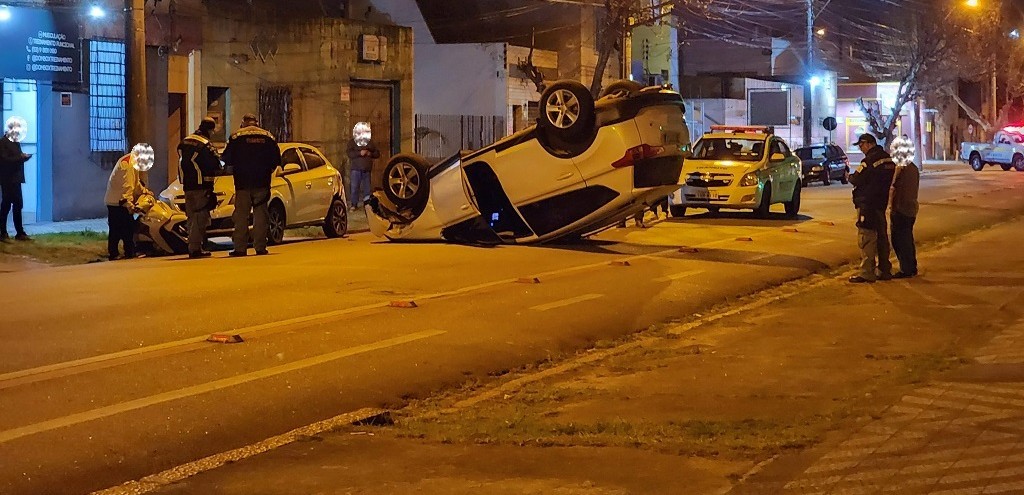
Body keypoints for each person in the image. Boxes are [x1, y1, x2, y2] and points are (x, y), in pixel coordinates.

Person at [221, 113, 280, 256]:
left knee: (241, 216)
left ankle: (240, 248)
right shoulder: (268, 137)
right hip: (262, 184)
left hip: (242, 184)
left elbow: (226, 159)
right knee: (261, 216)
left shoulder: (236, 137)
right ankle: (260, 247)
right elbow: (276, 160)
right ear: (256, 123)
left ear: (243, 123)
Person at [849, 133, 896, 283]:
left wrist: (849, 176)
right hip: (880, 204)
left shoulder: (869, 160)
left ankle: (866, 272)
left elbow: (856, 178)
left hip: (867, 204)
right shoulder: (888, 159)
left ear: (868, 143)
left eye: (861, 145)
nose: (861, 149)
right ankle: (884, 269)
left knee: (867, 238)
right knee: (882, 237)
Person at [177, 117, 221, 259]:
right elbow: (215, 164)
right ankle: (195, 248)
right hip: (201, 186)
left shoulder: (184, 141)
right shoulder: (205, 144)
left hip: (187, 186)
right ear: (209, 129)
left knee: (191, 217)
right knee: (199, 217)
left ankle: (195, 245)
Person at [104, 144, 149, 260]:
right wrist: (129, 204)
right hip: (119, 202)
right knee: (124, 229)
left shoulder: (130, 161)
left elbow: (136, 183)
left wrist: (145, 191)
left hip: (116, 200)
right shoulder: (128, 165)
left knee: (120, 229)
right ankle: (123, 253)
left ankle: (121, 253)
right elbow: (127, 186)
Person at [890, 144, 920, 279]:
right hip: (911, 208)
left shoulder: (901, 169)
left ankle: (906, 269)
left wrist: (891, 206)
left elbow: (894, 187)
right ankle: (911, 267)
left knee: (900, 240)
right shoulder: (914, 168)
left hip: (901, 208)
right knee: (907, 238)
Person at [0, 117, 33, 241]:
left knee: (17, 204)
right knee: (6, 205)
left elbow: (15, 158)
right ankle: (3, 232)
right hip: (8, 179)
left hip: (16, 178)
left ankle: (19, 232)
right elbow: (5, 160)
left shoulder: (16, 142)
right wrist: (21, 157)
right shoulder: (3, 142)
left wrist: (23, 157)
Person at [346, 122, 380, 211]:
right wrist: (359, 153)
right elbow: (349, 153)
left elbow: (377, 153)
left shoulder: (370, 142)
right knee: (354, 188)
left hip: (367, 169)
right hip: (356, 169)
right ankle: (354, 204)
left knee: (367, 189)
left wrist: (370, 153)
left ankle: (367, 205)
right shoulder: (352, 142)